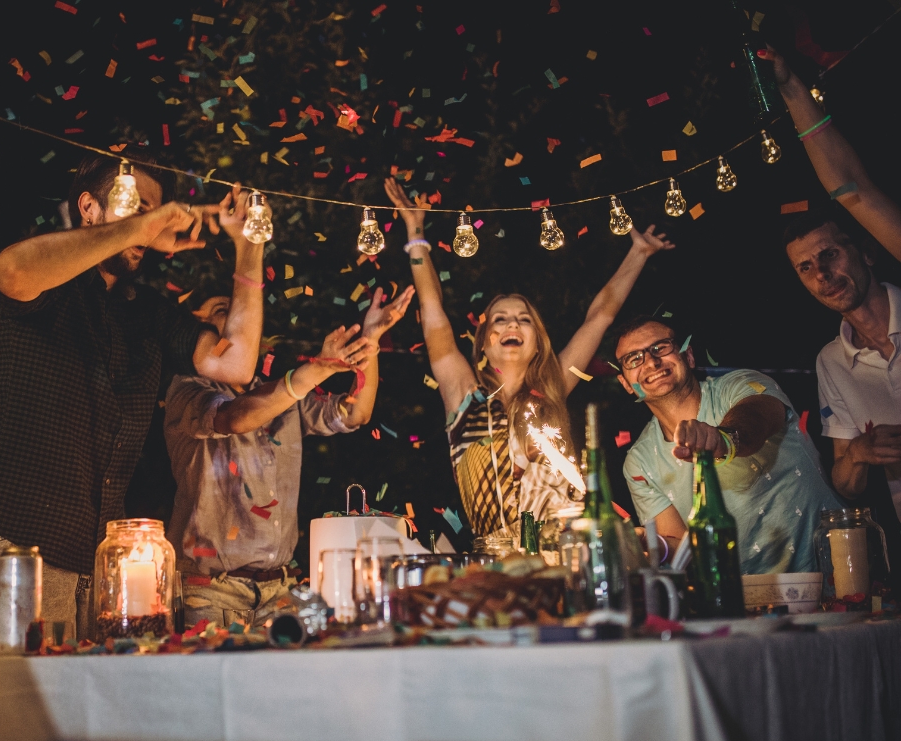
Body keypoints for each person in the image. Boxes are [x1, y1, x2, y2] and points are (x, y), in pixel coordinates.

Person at [0, 155, 266, 652]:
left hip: (94, 551)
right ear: (89, 208)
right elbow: (11, 271)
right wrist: (142, 226)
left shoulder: (145, 312)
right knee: (31, 699)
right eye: (136, 207)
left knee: (86, 702)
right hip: (17, 535)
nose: (149, 225)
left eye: (156, 211)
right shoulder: (48, 275)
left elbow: (236, 365)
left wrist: (248, 247)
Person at [383, 178, 674, 553]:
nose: (511, 325)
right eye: (499, 319)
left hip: (564, 552)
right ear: (484, 338)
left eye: (523, 319)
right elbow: (434, 314)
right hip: (491, 560)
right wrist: (416, 232)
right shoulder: (464, 395)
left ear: (537, 339)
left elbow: (599, 317)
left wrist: (639, 253)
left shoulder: (553, 386)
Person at [164, 286, 414, 627]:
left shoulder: (278, 393)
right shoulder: (185, 390)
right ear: (198, 332)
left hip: (279, 590)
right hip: (210, 592)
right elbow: (236, 418)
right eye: (223, 309)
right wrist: (319, 369)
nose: (241, 317)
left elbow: (355, 414)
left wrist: (369, 342)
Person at [759, 46, 901, 527]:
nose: (821, 274)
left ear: (867, 251)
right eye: (805, 268)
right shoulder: (830, 362)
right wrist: (859, 452)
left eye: (831, 255)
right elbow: (849, 188)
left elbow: (853, 190)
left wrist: (792, 87)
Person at [614, 316, 842, 573]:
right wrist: (654, 545)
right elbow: (689, 551)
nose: (652, 362)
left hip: (833, 571)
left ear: (688, 356)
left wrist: (723, 439)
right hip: (747, 600)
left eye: (661, 348)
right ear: (626, 384)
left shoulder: (741, 385)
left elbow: (754, 419)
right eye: (634, 359)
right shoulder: (639, 462)